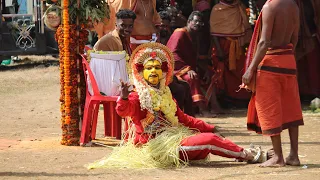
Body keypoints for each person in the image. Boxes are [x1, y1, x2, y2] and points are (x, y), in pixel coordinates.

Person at [86, 42, 266, 169]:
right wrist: (123, 98)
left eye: (157, 67)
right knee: (210, 141)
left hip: (173, 139)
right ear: (142, 73)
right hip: (156, 148)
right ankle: (247, 155)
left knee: (208, 136)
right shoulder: (137, 95)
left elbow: (182, 118)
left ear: (164, 72)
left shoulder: (165, 93)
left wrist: (210, 127)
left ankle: (239, 152)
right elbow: (124, 111)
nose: (154, 71)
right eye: (149, 68)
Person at [242, 0, 304, 167]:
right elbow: (295, 37)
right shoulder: (293, 6)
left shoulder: (270, 7)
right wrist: (287, 55)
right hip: (288, 59)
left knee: (269, 108)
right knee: (291, 107)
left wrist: (250, 69)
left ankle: (278, 157)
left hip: (270, 62)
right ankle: (294, 155)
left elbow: (264, 42)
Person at [167, 11, 221, 116]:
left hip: (188, 67)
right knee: (191, 77)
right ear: (189, 21)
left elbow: (194, 57)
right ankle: (202, 109)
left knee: (211, 73)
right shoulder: (180, 33)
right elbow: (172, 54)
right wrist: (187, 69)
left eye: (200, 23)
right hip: (176, 69)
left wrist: (204, 69)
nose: (198, 24)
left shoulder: (194, 35)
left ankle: (214, 106)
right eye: (196, 21)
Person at [210, 0, 252, 108]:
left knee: (240, 72)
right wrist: (219, 50)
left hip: (238, 46)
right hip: (223, 46)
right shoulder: (217, 9)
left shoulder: (239, 6)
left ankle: (242, 99)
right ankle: (228, 100)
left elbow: (244, 26)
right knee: (224, 73)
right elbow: (214, 32)